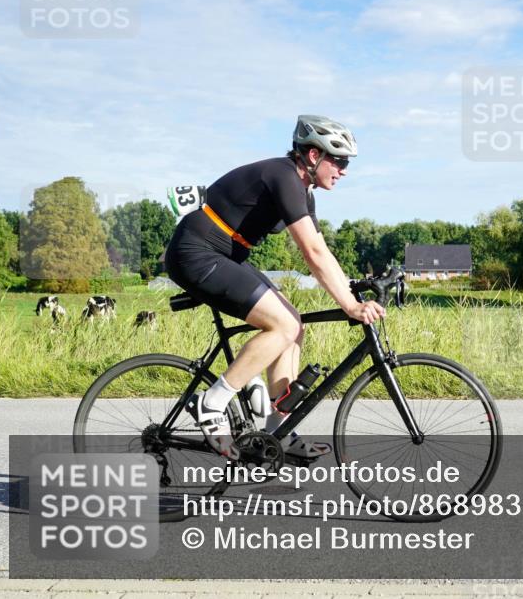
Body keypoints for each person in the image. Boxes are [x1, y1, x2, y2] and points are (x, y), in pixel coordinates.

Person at [164, 115, 385, 459]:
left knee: (293, 324)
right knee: (282, 324)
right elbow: (310, 254)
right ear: (314, 156)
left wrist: (352, 290)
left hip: (226, 253)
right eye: (339, 161)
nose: (343, 170)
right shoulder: (284, 177)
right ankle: (214, 401)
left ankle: (276, 429)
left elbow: (321, 250)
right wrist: (350, 307)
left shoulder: (303, 192)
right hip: (197, 251)